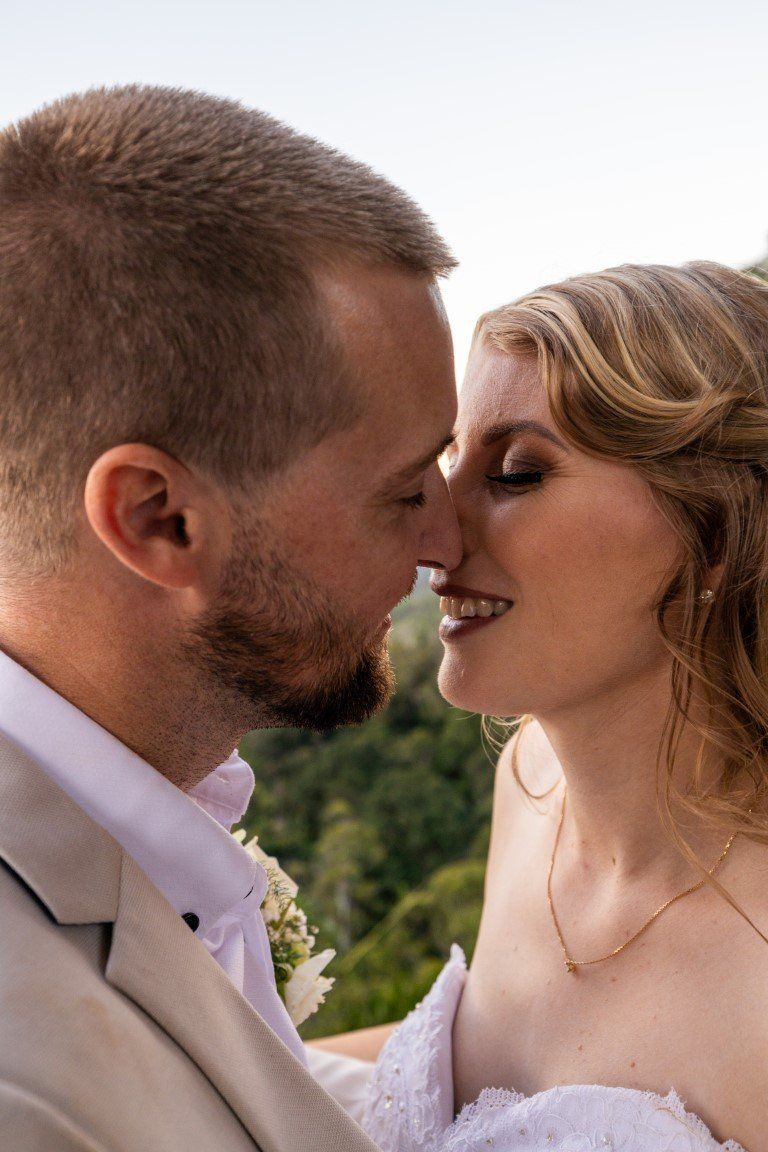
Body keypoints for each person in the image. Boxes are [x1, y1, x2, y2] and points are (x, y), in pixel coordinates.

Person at [0, 85, 462, 1150]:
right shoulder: (28, 1096)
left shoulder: (143, 811)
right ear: (158, 520)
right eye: (403, 490)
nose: (446, 540)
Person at [317, 262, 768, 1151]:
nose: (433, 535)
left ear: (713, 533)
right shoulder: (528, 781)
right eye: (447, 463)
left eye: (517, 473)